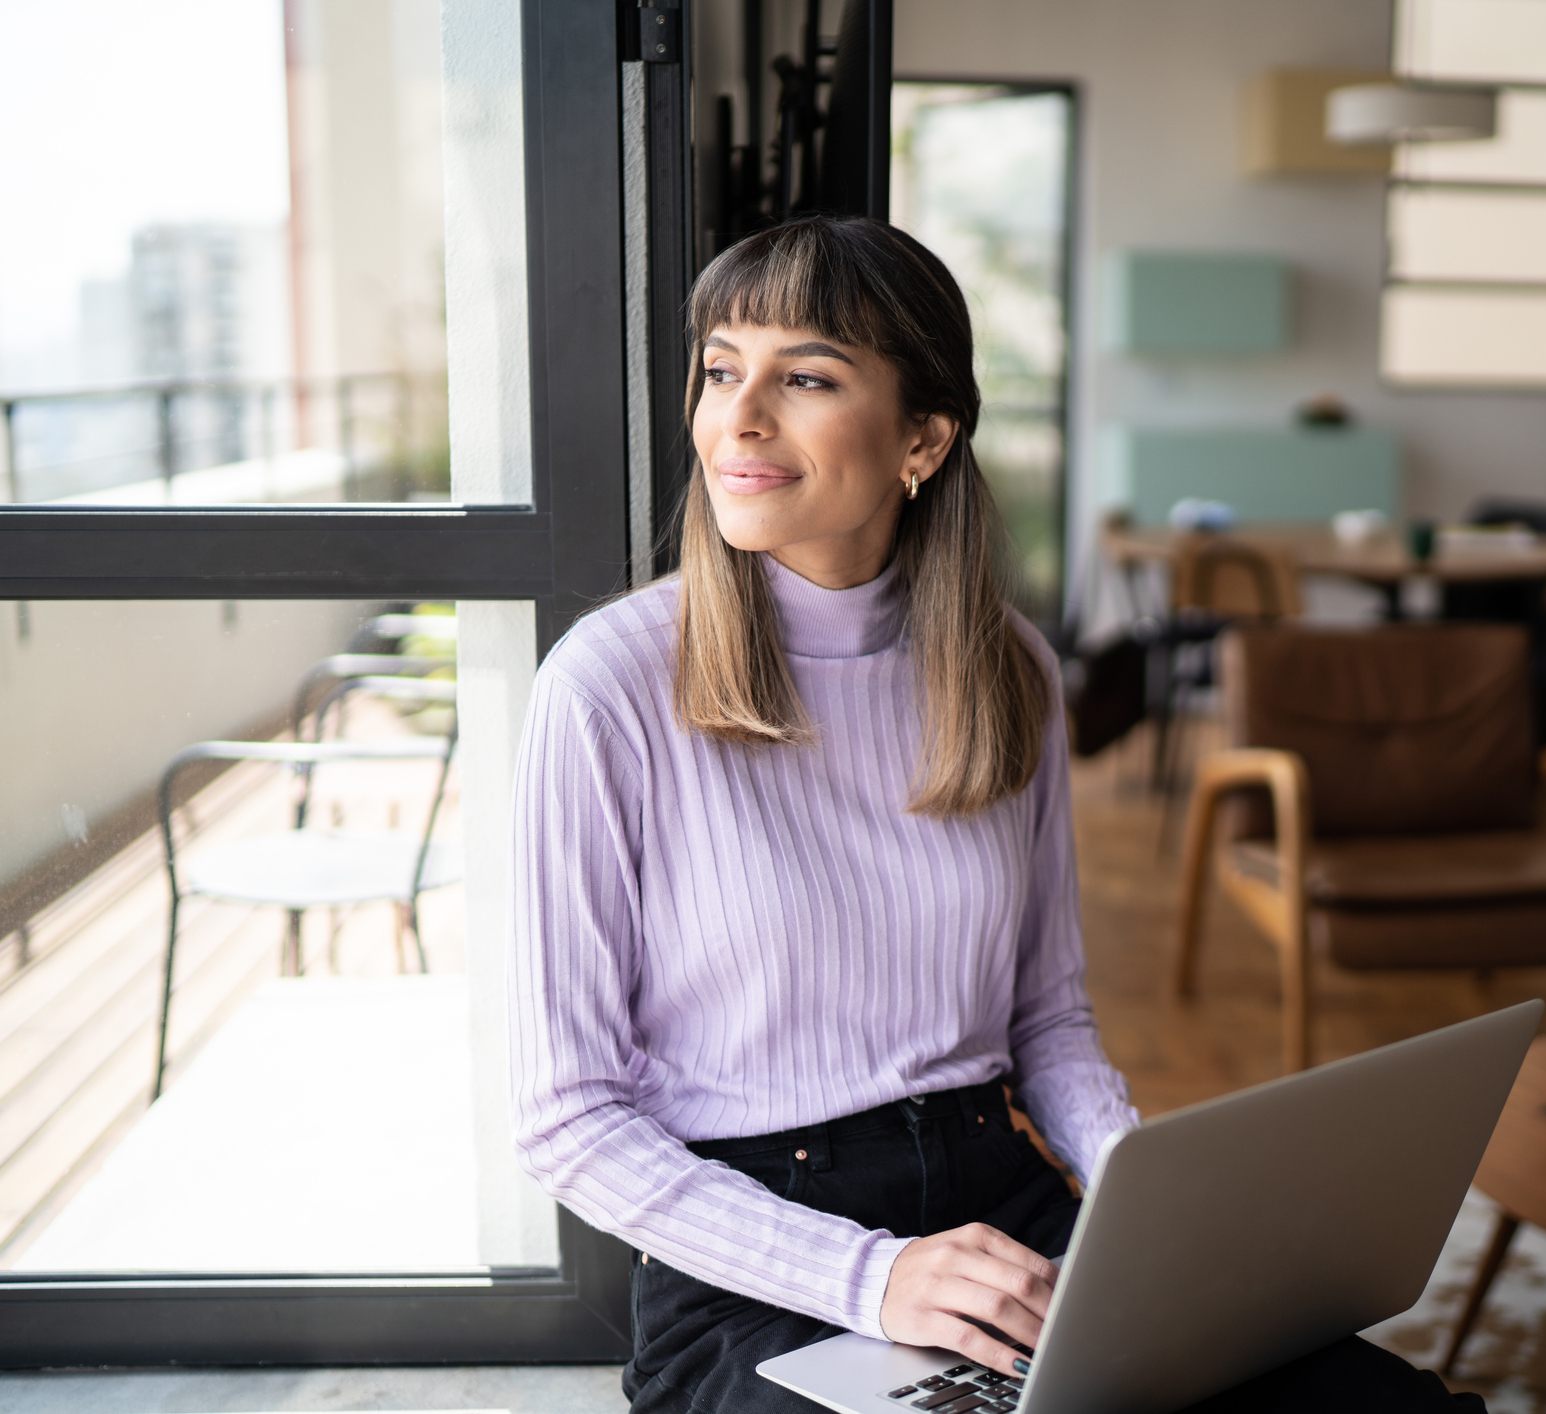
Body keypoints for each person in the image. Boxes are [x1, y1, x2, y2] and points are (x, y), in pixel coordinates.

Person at [507, 214, 1484, 1414]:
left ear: (923, 437)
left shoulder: (1004, 668)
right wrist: (873, 1277)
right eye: (720, 368)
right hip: (759, 1254)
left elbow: (1048, 1018)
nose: (737, 417)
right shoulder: (605, 685)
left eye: (803, 375)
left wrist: (1146, 1196)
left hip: (1001, 1197)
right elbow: (566, 1115)